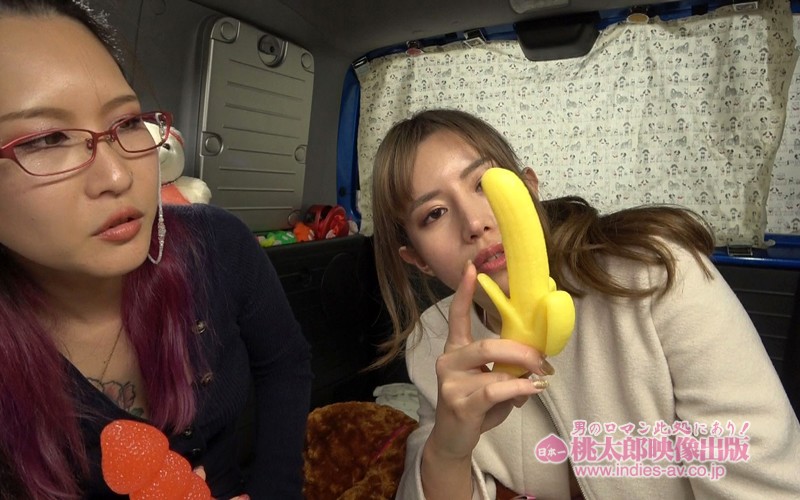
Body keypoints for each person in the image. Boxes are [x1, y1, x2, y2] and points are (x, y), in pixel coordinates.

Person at [370, 108, 800, 499]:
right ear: (418, 259)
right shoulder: (434, 342)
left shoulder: (657, 274)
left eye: (484, 184)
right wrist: (447, 450)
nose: (475, 223)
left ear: (530, 188)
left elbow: (760, 481)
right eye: (434, 214)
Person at [0, 1, 312, 499]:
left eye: (126, 122)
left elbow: (285, 363)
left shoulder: (218, 245)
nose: (118, 175)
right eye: (48, 139)